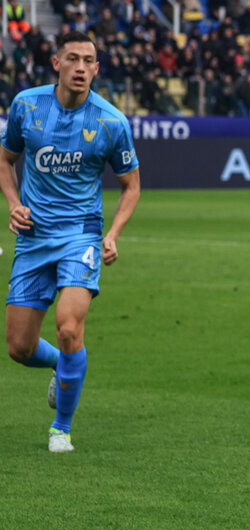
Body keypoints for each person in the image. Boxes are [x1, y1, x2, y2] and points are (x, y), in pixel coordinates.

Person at [1, 30, 141, 453]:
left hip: (81, 235)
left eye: (89, 61)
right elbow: (6, 160)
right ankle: (63, 366)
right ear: (57, 63)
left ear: (97, 69)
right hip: (33, 236)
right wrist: (12, 202)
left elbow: (130, 186)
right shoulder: (26, 105)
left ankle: (60, 428)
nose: (81, 67)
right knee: (19, 348)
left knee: (67, 328)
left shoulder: (111, 121)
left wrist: (111, 234)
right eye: (73, 59)